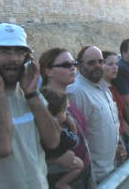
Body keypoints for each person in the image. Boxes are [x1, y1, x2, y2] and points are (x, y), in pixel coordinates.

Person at [0, 23, 60, 189]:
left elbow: (53, 140)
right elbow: (1, 148)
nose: (13, 59)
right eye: (4, 51)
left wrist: (32, 94)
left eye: (19, 52)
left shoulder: (29, 94)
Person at [39, 48, 92, 188]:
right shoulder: (43, 103)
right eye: (66, 65)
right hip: (60, 178)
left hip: (81, 172)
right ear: (48, 71)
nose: (73, 68)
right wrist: (54, 159)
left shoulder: (66, 98)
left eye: (74, 64)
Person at [67, 46, 120, 183]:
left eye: (100, 61)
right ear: (79, 65)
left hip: (110, 167)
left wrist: (118, 143)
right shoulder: (76, 92)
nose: (97, 66)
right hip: (94, 174)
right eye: (91, 63)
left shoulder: (104, 87)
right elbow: (77, 137)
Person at [41, 88, 84, 189]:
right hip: (58, 171)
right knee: (80, 165)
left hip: (45, 169)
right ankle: (61, 184)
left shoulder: (37, 127)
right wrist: (72, 124)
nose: (67, 113)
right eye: (65, 110)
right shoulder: (60, 132)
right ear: (59, 114)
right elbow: (74, 141)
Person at [102, 51, 128, 165]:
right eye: (110, 64)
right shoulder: (101, 90)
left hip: (120, 137)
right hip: (112, 142)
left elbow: (119, 116)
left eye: (116, 64)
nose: (115, 67)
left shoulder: (113, 87)